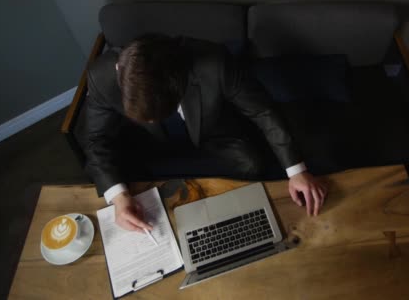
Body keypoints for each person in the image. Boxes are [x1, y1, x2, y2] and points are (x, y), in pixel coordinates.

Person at [81, 34, 327, 232]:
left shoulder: (214, 62)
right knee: (124, 180)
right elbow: (96, 139)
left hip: (211, 129)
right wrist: (118, 197)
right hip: (145, 141)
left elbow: (263, 111)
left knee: (252, 163)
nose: (155, 119)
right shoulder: (100, 76)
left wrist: (297, 170)